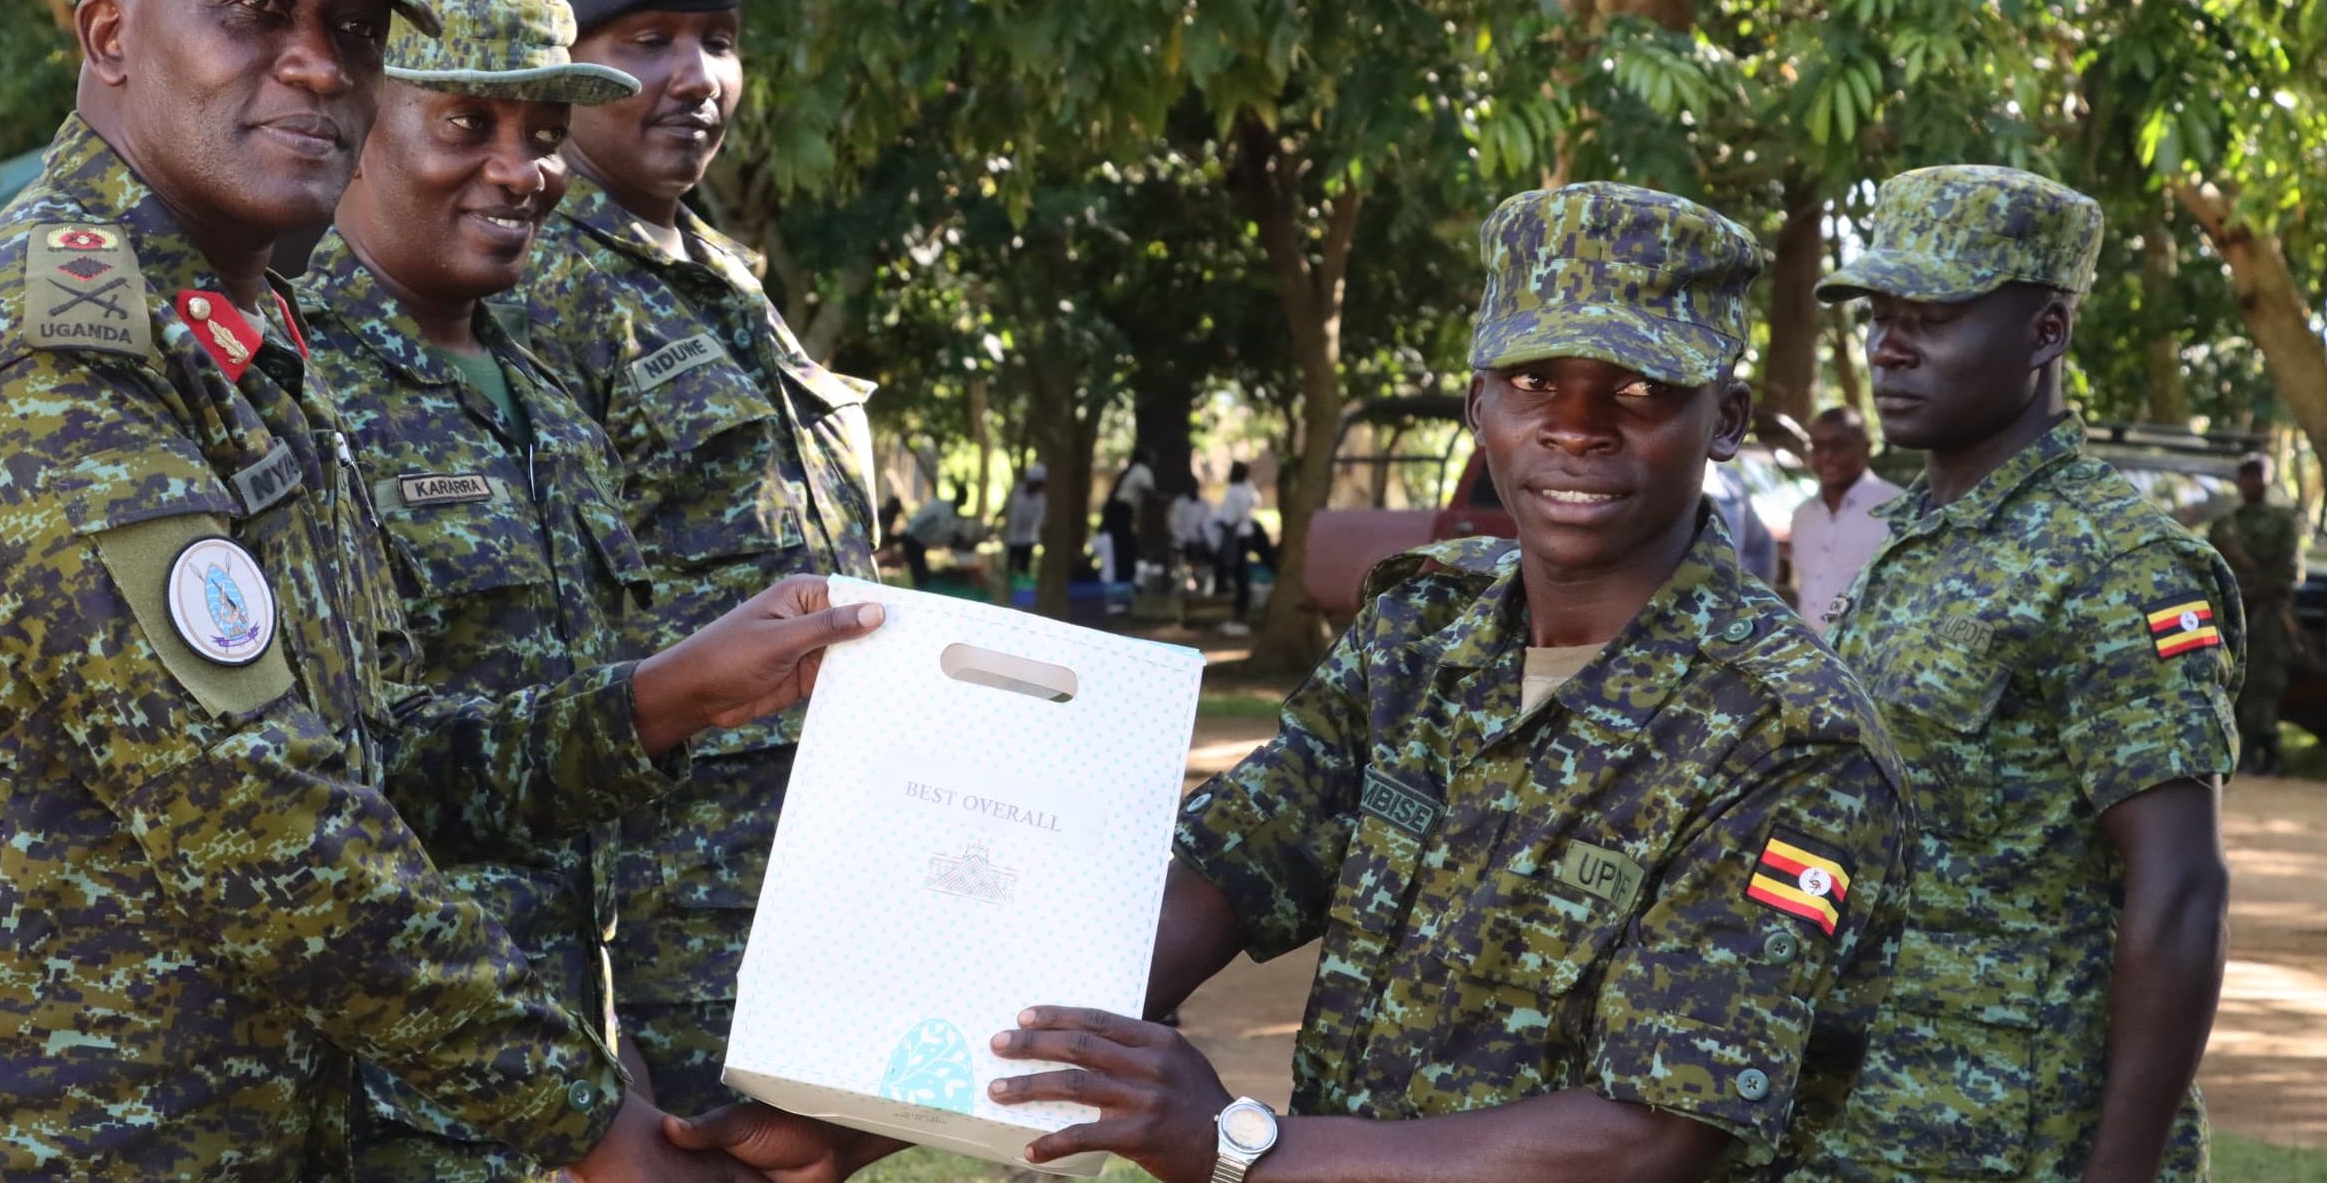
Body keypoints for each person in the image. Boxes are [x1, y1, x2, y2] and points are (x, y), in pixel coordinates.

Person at [0, 0, 879, 1177]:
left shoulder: (230, 336)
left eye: (353, 28)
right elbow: (255, 808)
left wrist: (658, 701)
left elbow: (364, 766)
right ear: (110, 35)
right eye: (252, 11)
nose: (315, 65)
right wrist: (592, 1124)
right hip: (9, 1140)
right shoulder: (48, 339)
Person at [669, 183, 1912, 1183]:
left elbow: (1648, 1138)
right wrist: (869, 1108)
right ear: (1477, 396)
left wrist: (1237, 1147)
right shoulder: (1422, 629)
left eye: (1640, 390)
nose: (1577, 426)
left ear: (1728, 418)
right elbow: (1218, 877)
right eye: (1535, 379)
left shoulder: (1789, 736)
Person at [288, 0, 758, 1181]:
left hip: (554, 1066)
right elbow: (335, 788)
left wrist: (610, 1047)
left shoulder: (546, 395)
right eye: (465, 122)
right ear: (359, 120)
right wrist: (662, 699)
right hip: (374, 1095)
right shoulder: (287, 385)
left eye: (545, 132)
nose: (521, 169)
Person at [1802, 166, 2241, 1183]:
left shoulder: (2117, 564)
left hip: (2022, 1137)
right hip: (1867, 1122)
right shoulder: (1916, 540)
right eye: (1879, 316)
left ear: (2047, 331)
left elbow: (2180, 887)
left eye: (1931, 318)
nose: (1888, 347)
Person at [517, 0, 881, 1116]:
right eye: (648, 41)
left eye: (717, 40)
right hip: (660, 927)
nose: (697, 78)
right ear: (562, 69)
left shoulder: (713, 271)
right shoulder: (534, 280)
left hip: (798, 888)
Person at [2209, 452, 2306, 777]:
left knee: (2264, 682)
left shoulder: (2283, 521)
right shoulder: (2225, 524)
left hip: (2268, 612)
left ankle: (2265, 750)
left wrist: (2256, 592)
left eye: (2257, 475)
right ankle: (2238, 750)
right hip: (2229, 612)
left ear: (2268, 480)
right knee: (2226, 678)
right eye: (2246, 475)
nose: (2251, 482)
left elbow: (2290, 571)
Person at [1788, 406, 1901, 631]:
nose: (1826, 456)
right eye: (1818, 446)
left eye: (1839, 445)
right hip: (1809, 645)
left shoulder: (1896, 509)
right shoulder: (1802, 515)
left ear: (1866, 449)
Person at [1215, 460, 1264, 635]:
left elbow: (1231, 516)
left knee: (1240, 574)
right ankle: (1239, 611)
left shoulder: (1236, 491)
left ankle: (1240, 613)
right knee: (1240, 575)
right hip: (1242, 534)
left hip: (1236, 535)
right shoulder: (1245, 489)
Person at [1106, 448, 1157, 595]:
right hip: (1124, 511)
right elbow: (1149, 493)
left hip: (1118, 512)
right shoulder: (1142, 470)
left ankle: (1123, 581)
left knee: (1121, 548)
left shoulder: (1132, 470)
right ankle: (1124, 583)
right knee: (1126, 548)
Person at [901, 487, 965, 588]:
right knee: (919, 575)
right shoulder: (942, 507)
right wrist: (910, 533)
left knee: (921, 575)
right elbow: (921, 520)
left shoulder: (951, 514)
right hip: (912, 539)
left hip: (919, 542)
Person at [1004, 464, 1047, 580]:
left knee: (1023, 570)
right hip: (1012, 538)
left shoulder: (1041, 499)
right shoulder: (1016, 491)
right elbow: (1006, 508)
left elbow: (1040, 520)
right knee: (1009, 569)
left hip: (1028, 539)